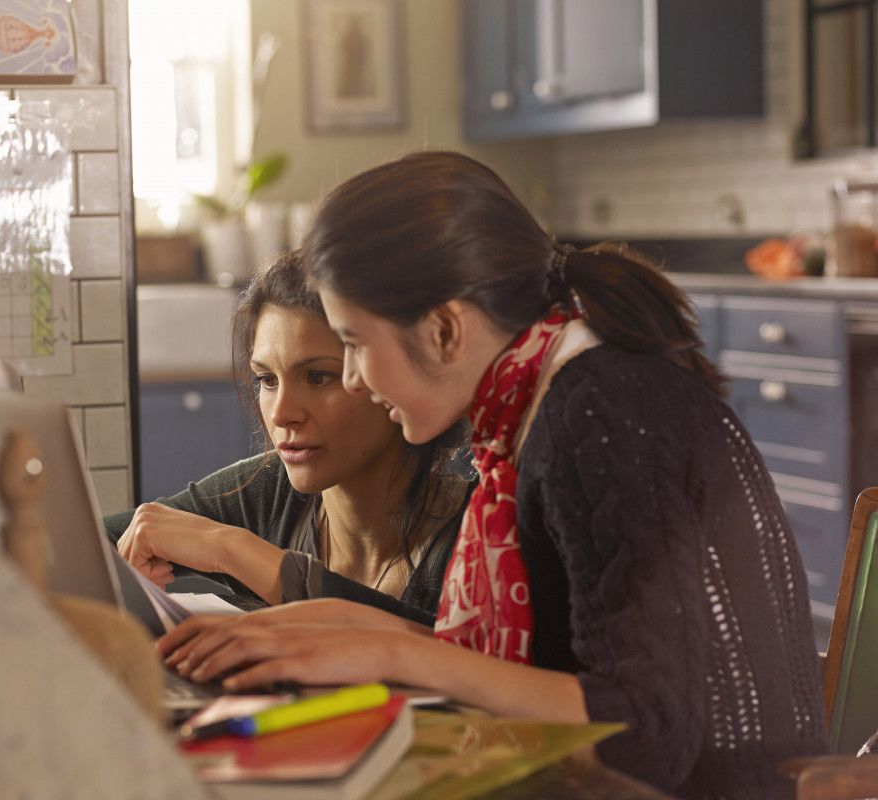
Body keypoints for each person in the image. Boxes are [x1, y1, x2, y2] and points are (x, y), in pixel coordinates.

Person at [156, 152, 828, 799]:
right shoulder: (544, 401)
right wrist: (346, 627)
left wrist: (395, 656)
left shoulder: (599, 413)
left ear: (446, 329)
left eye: (355, 345)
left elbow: (641, 732)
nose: (356, 378)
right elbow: (549, 672)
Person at [106, 250, 471, 625]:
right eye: (267, 380)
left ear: (392, 375)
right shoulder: (267, 491)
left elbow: (455, 656)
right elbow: (92, 545)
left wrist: (234, 550)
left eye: (318, 378)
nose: (281, 413)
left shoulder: (482, 530)